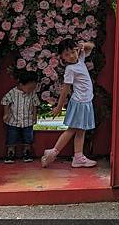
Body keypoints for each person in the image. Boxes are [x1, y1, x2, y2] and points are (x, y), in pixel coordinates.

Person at [41, 38, 97, 168]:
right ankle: (53, 152)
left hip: (85, 101)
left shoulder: (81, 60)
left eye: (73, 52)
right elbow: (65, 89)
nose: (71, 56)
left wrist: (83, 45)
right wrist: (59, 107)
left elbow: (91, 46)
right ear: (62, 57)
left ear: (77, 50)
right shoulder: (70, 69)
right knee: (72, 129)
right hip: (79, 102)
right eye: (66, 54)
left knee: (81, 130)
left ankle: (78, 157)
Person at [1, 70, 40, 163]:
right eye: (30, 88)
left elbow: (35, 104)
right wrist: (6, 113)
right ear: (21, 84)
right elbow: (5, 101)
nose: (31, 90)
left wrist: (34, 116)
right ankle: (10, 153)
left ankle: (27, 152)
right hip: (13, 120)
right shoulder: (13, 92)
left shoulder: (32, 94)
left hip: (28, 121)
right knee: (12, 137)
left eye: (33, 88)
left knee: (28, 137)